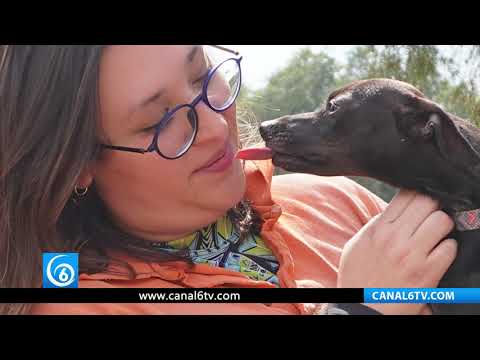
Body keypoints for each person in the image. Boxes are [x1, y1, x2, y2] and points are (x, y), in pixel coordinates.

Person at [0, 45, 457, 315]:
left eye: (202, 75)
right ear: (76, 165)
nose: (217, 125)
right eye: (160, 122)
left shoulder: (336, 200)